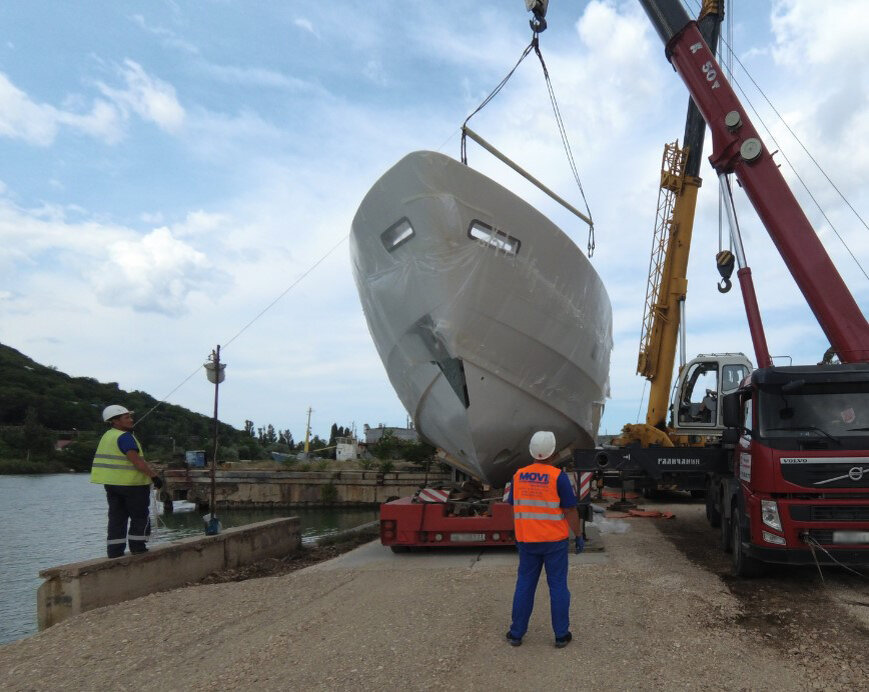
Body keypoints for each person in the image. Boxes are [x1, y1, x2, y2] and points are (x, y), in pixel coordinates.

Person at [505, 430, 583, 648]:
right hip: (554, 543)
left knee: (525, 585)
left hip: (527, 541)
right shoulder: (558, 477)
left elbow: (514, 505)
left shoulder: (518, 475)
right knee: (558, 586)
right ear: (554, 452)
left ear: (531, 450)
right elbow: (570, 510)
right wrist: (578, 535)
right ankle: (560, 635)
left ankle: (516, 633)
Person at [90, 405, 163, 558]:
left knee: (117, 518)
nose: (131, 420)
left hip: (112, 485)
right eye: (127, 417)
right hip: (132, 485)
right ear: (115, 421)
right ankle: (138, 547)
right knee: (139, 516)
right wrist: (154, 477)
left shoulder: (107, 436)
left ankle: (114, 551)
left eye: (130, 417)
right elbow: (137, 462)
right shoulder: (125, 437)